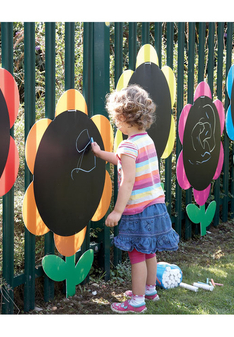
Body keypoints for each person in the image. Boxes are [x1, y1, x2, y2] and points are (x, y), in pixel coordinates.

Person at [91, 84, 179, 313]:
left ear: (122, 118)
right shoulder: (145, 141)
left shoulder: (128, 145)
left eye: (116, 118)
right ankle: (150, 290)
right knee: (149, 250)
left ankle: (137, 301)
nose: (115, 122)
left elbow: (127, 181)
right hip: (155, 206)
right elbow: (123, 160)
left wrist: (117, 211)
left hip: (138, 210)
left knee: (137, 255)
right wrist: (101, 154)